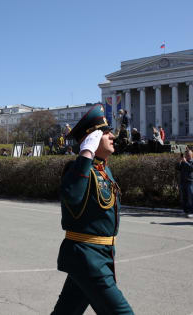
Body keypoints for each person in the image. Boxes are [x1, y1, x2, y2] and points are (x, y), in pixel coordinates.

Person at [51, 104, 134, 315]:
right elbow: (72, 195)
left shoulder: (104, 170)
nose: (112, 136)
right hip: (87, 257)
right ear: (93, 139)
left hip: (100, 255)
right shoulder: (77, 169)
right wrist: (85, 153)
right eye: (105, 133)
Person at [175, 149, 193, 218]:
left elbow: (192, 169)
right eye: (186, 155)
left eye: (188, 155)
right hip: (183, 181)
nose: (187, 156)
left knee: (190, 197)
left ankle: (192, 212)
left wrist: (185, 162)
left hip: (190, 181)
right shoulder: (183, 162)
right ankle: (185, 211)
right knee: (184, 197)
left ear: (191, 155)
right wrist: (179, 161)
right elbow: (177, 168)